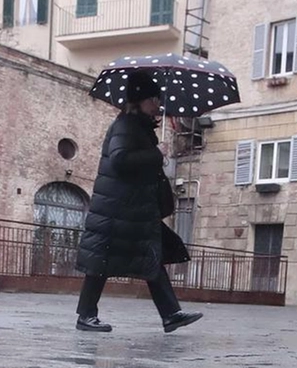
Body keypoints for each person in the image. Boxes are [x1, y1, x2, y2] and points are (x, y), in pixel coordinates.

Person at [74, 70, 203, 334]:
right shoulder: (125, 125)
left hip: (133, 209)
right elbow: (120, 159)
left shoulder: (138, 126)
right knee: (101, 260)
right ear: (140, 99)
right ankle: (86, 316)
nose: (159, 103)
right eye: (155, 98)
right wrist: (155, 154)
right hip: (117, 209)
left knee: (150, 256)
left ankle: (171, 314)